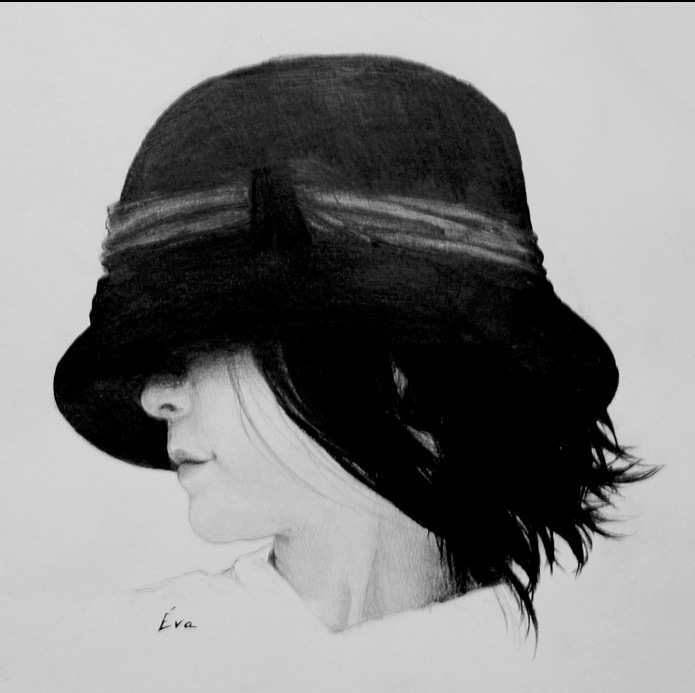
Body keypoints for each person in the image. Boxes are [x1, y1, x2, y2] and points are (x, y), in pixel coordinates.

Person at [46, 54, 650, 691]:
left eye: (200, 343)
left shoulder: (590, 666)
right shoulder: (112, 656)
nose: (155, 396)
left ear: (399, 362)